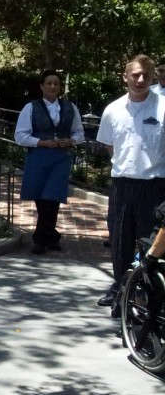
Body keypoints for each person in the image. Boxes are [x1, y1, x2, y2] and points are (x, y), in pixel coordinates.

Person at [95, 55, 165, 310]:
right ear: (125, 77)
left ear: (153, 77)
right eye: (135, 74)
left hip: (155, 186)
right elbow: (111, 148)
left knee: (151, 244)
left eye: (146, 74)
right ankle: (120, 288)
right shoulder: (112, 110)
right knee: (120, 240)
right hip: (122, 185)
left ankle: (149, 293)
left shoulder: (164, 107)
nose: (140, 79)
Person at [14, 69, 85, 254]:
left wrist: (71, 141)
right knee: (41, 196)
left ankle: (40, 239)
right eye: (49, 83)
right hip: (38, 157)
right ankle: (51, 236)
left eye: (56, 83)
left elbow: (79, 132)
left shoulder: (70, 107)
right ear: (42, 86)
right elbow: (20, 136)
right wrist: (41, 142)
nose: (53, 87)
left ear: (60, 87)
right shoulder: (31, 107)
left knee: (52, 197)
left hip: (60, 159)